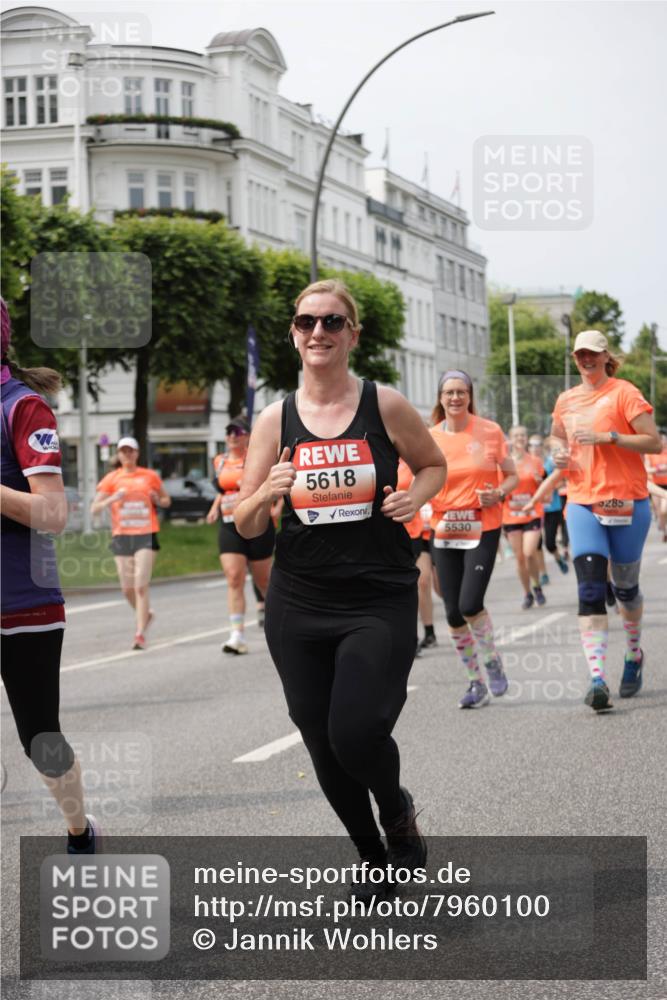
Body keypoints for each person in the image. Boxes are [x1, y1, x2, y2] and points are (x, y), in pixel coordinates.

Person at [234, 279, 446, 886]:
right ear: (294, 335)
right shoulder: (275, 418)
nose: (318, 332)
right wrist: (267, 494)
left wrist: (414, 497)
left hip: (378, 595)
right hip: (299, 600)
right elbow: (245, 519)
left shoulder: (385, 405)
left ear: (353, 333)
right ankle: (374, 861)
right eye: (306, 323)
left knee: (355, 732)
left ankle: (397, 808)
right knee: (319, 739)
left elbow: (433, 465)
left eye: (331, 322)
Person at [0, 297, 100, 854]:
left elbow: (54, 514)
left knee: (39, 738)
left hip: (21, 603)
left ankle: (80, 830)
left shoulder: (22, 407)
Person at [547, 330, 660, 711]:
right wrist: (559, 452)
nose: (587, 360)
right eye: (580, 354)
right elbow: (554, 438)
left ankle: (633, 655)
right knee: (591, 590)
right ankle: (597, 679)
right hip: (582, 501)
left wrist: (610, 437)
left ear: (605, 356)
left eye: (593, 353)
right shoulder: (566, 399)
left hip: (628, 501)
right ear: (575, 358)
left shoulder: (625, 392)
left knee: (626, 589)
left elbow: (654, 441)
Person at [429, 370, 518, 709]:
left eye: (461, 392)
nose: (455, 398)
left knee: (469, 604)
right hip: (445, 528)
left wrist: (498, 492)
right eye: (449, 392)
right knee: (452, 613)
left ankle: (491, 660)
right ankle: (474, 681)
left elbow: (511, 475)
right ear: (440, 397)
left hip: (483, 525)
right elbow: (421, 476)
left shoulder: (489, 431)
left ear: (469, 396)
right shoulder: (430, 437)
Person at [91, 437, 171, 650]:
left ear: (137, 453)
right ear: (118, 455)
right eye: (123, 451)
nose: (127, 454)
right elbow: (94, 508)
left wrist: (156, 499)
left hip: (146, 534)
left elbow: (166, 501)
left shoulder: (150, 476)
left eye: (130, 451)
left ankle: (139, 633)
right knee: (127, 589)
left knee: (140, 586)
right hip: (122, 536)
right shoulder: (111, 479)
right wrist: (112, 499)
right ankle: (146, 615)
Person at [206, 416, 275, 654]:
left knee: (263, 581)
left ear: (247, 436)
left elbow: (267, 486)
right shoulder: (220, 461)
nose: (232, 436)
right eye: (228, 432)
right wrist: (215, 507)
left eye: (237, 431)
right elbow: (225, 490)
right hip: (228, 524)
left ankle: (281, 625)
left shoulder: (257, 457)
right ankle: (236, 635)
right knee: (234, 577)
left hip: (256, 524)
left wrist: (274, 507)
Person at [502, 426, 547, 610]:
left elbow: (545, 488)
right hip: (511, 515)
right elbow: (500, 487)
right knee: (520, 558)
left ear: (526, 438)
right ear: (510, 439)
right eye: (516, 435)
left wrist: (540, 481)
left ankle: (537, 585)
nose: (520, 438)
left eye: (523, 435)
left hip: (532, 513)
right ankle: (528, 593)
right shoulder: (504, 463)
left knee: (529, 553)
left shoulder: (535, 461)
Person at [396, 458, 437, 656]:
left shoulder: (411, 460)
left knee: (423, 581)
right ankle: (409, 638)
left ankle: (429, 630)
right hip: (392, 533)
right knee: (404, 588)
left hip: (417, 531)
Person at [540, 437, 569, 575]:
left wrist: (549, 488)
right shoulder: (539, 464)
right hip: (535, 510)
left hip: (553, 507)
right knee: (539, 545)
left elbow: (563, 481)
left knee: (550, 543)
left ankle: (562, 554)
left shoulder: (555, 464)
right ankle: (543, 574)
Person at [528, 434, 550, 585]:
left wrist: (540, 483)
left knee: (546, 543)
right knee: (535, 546)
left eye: (538, 444)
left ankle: (543, 571)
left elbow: (550, 485)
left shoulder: (547, 463)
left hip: (549, 507)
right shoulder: (520, 463)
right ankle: (540, 574)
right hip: (527, 510)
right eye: (532, 445)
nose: (535, 448)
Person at [646, 429, 667, 542]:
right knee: (659, 511)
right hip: (656, 485)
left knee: (665, 510)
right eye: (661, 440)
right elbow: (646, 469)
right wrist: (658, 469)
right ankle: (664, 530)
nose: (663, 442)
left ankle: (665, 529)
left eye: (664, 440)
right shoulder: (650, 454)